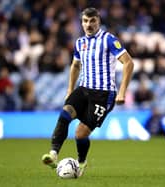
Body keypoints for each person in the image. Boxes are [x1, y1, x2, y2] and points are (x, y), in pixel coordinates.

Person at [41, 7, 134, 176]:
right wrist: (70, 90)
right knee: (65, 114)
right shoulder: (79, 43)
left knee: (80, 133)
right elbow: (75, 65)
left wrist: (122, 92)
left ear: (98, 21)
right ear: (81, 22)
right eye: (85, 21)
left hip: (103, 94)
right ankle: (53, 154)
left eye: (92, 21)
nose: (88, 24)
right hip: (83, 89)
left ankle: (81, 163)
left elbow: (128, 63)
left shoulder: (109, 40)